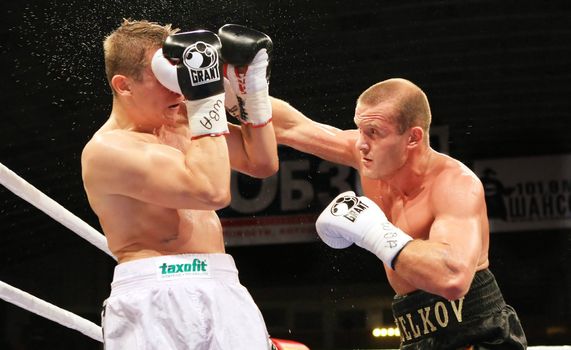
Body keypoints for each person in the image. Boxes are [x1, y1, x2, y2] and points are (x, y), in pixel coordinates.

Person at [271, 78, 527, 349]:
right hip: (415, 336)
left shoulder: (455, 185)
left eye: (373, 132)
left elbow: (453, 278)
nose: (360, 144)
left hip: (477, 336)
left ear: (413, 137)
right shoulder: (371, 158)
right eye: (360, 129)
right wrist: (235, 90)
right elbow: (292, 126)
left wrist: (373, 230)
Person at [81, 19, 277, 349]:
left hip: (221, 283)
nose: (178, 87)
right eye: (164, 77)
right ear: (124, 85)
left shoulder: (186, 123)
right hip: (155, 293)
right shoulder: (107, 150)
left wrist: (251, 91)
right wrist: (205, 95)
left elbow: (262, 163)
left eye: (180, 72)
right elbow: (211, 191)